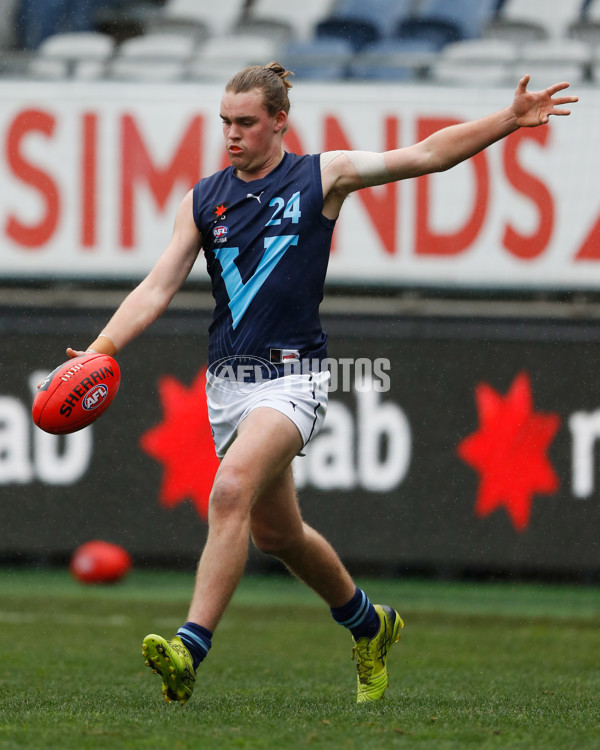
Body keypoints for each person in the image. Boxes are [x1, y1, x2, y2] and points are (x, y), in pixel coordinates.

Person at [67, 63, 577, 705]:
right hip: (228, 386)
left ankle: (188, 647)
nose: (232, 135)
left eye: (246, 122)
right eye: (225, 122)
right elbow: (158, 286)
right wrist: (100, 349)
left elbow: (423, 155)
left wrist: (508, 119)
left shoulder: (321, 176)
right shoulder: (203, 199)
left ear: (280, 120)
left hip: (294, 378)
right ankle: (369, 622)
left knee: (228, 493)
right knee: (277, 536)